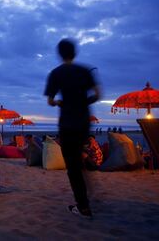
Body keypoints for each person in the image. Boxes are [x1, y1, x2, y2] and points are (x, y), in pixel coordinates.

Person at [44, 38, 100, 218]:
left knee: (73, 167)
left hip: (67, 123)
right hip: (84, 122)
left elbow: (50, 101)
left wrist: (61, 102)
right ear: (74, 53)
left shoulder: (56, 73)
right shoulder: (85, 71)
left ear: (60, 54)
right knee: (78, 159)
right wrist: (82, 102)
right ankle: (86, 189)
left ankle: (83, 207)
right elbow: (98, 95)